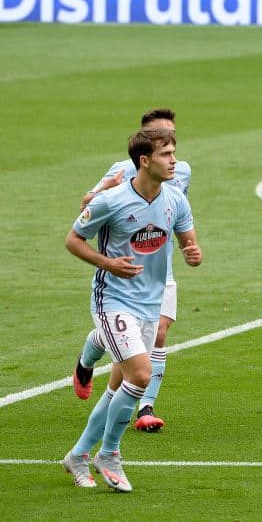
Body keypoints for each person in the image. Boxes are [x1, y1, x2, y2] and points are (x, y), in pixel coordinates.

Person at [62, 127, 202, 493]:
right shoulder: (111, 200)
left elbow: (189, 241)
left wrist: (192, 253)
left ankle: (78, 455)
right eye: (166, 154)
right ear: (145, 160)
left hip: (149, 303)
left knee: (121, 387)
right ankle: (108, 454)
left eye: (174, 153)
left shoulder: (175, 199)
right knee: (140, 375)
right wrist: (106, 263)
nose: (174, 161)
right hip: (112, 300)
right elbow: (73, 240)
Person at [72, 109, 191, 433]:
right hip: (125, 273)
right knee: (133, 356)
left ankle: (146, 407)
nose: (172, 154)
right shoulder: (120, 172)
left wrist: (189, 248)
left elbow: (179, 216)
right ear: (145, 151)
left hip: (160, 271)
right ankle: (91, 354)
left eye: (173, 143)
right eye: (164, 145)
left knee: (159, 335)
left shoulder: (182, 172)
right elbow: (87, 208)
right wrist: (101, 191)